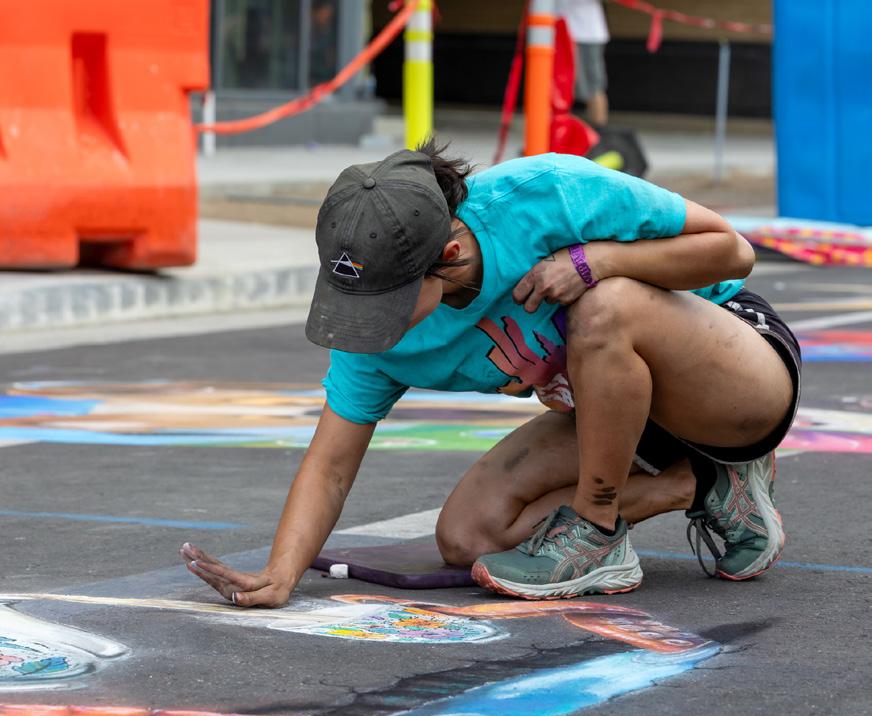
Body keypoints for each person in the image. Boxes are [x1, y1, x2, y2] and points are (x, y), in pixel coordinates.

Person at [181, 140, 801, 606]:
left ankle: (596, 528)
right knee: (470, 537)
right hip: (625, 415)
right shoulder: (375, 339)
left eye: (386, 303)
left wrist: (595, 262)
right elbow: (331, 464)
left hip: (737, 377)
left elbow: (732, 250)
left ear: (449, 254)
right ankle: (703, 485)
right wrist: (281, 573)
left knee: (606, 305)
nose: (372, 325)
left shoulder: (546, 193)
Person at [559, 0, 610, 128]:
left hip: (585, 34)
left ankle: (598, 130)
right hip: (561, 33)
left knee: (592, 86)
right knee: (563, 85)